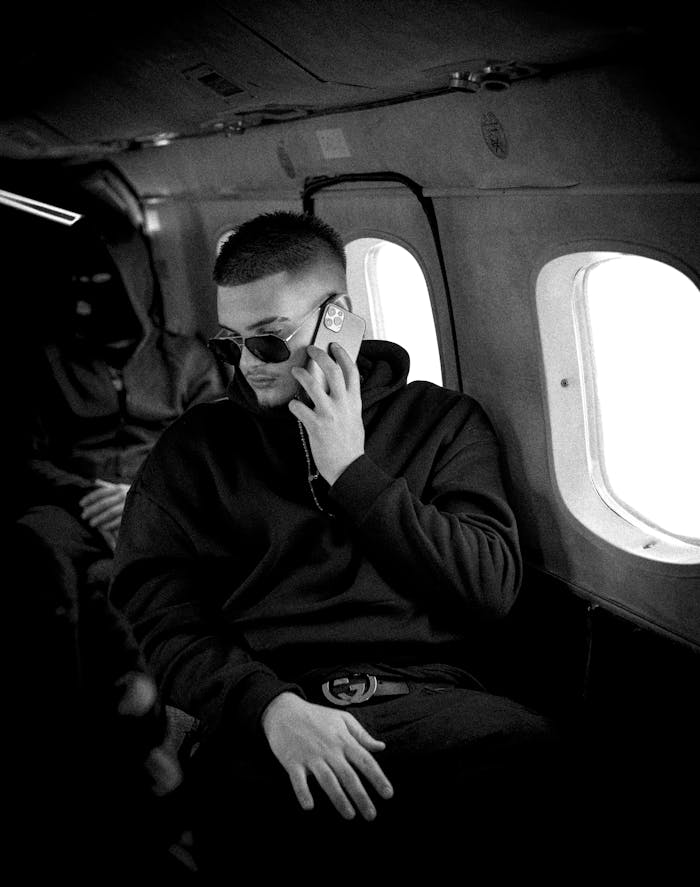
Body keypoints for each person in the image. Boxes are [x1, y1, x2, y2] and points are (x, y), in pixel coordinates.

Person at [110, 211, 571, 880]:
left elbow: (490, 589)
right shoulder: (192, 454)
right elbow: (160, 618)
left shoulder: (440, 422)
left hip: (429, 700)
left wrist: (352, 473)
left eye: (268, 342)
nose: (247, 365)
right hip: (273, 711)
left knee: (544, 767)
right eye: (229, 343)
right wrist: (266, 707)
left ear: (335, 317)